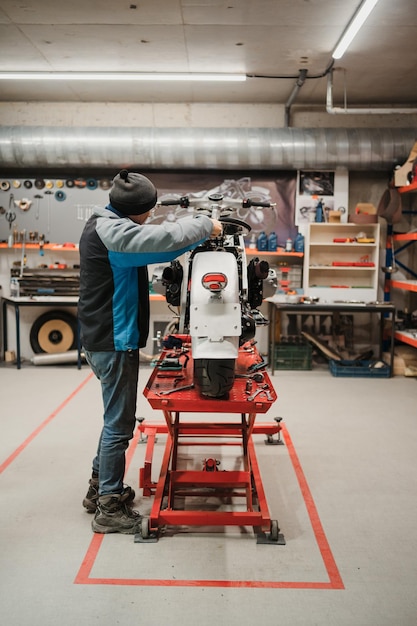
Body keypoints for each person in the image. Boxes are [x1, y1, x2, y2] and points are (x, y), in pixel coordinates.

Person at [78, 169, 222, 534]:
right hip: (113, 340)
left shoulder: (103, 220)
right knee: (120, 424)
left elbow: (162, 241)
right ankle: (109, 506)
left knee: (113, 417)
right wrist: (205, 225)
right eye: (149, 211)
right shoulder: (115, 235)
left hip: (101, 337)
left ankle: (99, 488)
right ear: (138, 210)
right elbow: (162, 240)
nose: (150, 217)